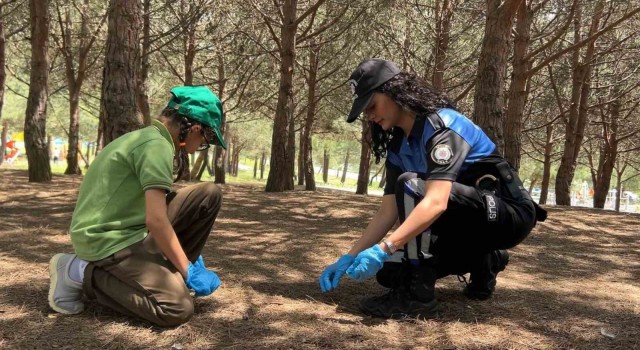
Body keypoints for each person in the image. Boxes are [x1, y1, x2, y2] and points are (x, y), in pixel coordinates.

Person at [319, 59, 547, 319]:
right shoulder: (398, 148)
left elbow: (436, 201)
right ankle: (485, 259)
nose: (369, 115)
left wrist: (385, 247)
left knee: (412, 185)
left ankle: (416, 299)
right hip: (466, 227)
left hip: (507, 216)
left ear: (394, 92)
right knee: (389, 273)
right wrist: (350, 255)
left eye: (371, 105)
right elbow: (387, 212)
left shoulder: (444, 127)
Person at [48, 86, 227, 327]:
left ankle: (166, 269)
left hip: (129, 225)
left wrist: (184, 260)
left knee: (208, 194)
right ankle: (79, 271)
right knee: (177, 309)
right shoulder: (157, 147)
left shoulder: (151, 138)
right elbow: (156, 220)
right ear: (195, 128)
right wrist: (188, 269)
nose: (203, 146)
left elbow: (155, 208)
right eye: (207, 139)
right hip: (108, 238)